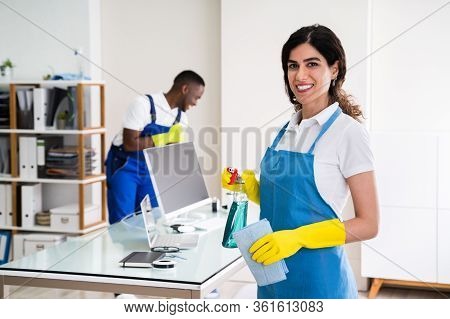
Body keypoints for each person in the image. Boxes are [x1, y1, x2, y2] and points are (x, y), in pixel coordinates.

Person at [222, 24, 379, 299]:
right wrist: (252, 189)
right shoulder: (286, 130)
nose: (300, 75)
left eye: (312, 64)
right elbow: (287, 202)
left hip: (320, 282)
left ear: (334, 69)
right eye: (293, 65)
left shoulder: (348, 134)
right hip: (272, 276)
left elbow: (369, 224)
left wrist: (298, 238)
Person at [106, 70, 205, 224]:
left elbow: (171, 154)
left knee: (152, 220)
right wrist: (164, 138)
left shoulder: (181, 118)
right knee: (122, 221)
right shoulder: (143, 104)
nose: (195, 103)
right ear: (185, 89)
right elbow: (130, 143)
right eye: (196, 97)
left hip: (151, 170)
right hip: (125, 167)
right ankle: (119, 249)